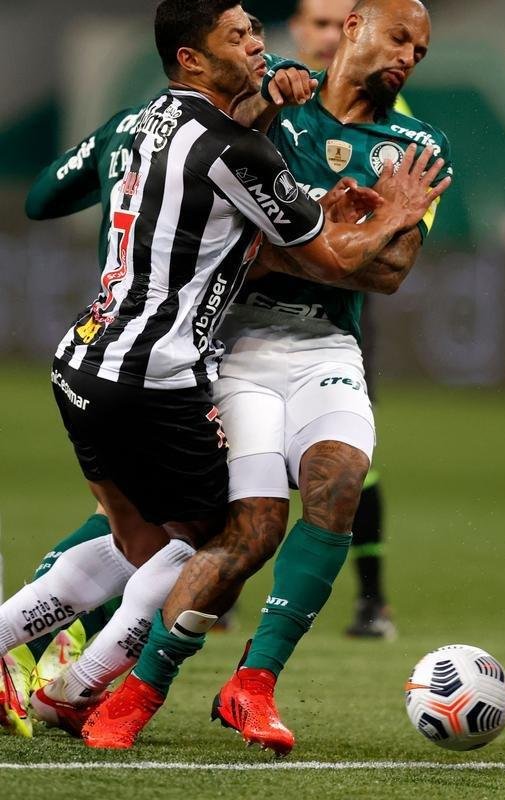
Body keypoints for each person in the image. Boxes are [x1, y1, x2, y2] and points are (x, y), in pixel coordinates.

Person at [0, 0, 448, 745]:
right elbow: (317, 254)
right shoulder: (244, 138)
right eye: (242, 37)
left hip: (100, 352)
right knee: (213, 532)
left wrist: (328, 220)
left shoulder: (149, 123)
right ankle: (82, 683)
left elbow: (378, 270)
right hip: (182, 364)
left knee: (152, 528)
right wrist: (368, 220)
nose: (260, 46)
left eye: (259, 34)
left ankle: (89, 669)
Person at [290, 0, 414, 638]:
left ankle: (372, 599)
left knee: (352, 456)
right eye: (316, 22)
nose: (325, 35)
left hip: (333, 320)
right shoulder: (267, 105)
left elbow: (392, 265)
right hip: (224, 317)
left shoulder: (404, 131)